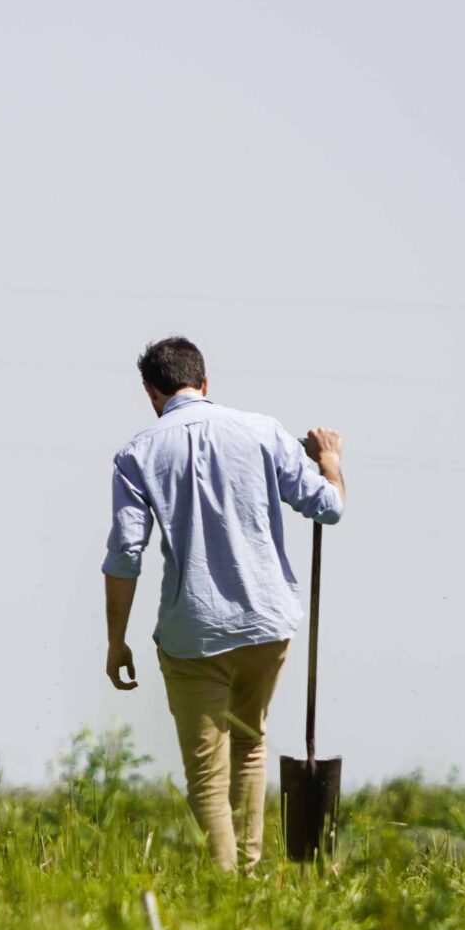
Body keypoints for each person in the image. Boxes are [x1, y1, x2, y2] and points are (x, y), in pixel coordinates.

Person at [102, 336, 344, 871]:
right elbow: (328, 508)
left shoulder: (137, 454)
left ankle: (223, 886)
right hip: (267, 623)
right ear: (205, 382)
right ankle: (250, 877)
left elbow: (125, 554)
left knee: (206, 773)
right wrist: (329, 461)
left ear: (151, 392)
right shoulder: (262, 431)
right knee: (249, 745)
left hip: (194, 632)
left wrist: (116, 640)